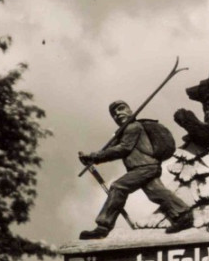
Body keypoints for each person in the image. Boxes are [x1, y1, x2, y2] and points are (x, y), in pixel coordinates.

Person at [78, 101, 193, 240]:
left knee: (118, 187)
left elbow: (123, 149)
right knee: (156, 192)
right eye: (114, 114)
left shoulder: (133, 127)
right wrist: (92, 158)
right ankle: (184, 215)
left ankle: (103, 227)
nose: (118, 114)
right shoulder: (123, 132)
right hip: (147, 167)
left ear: (131, 110)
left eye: (121, 109)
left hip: (144, 167)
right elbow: (111, 149)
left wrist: (94, 156)